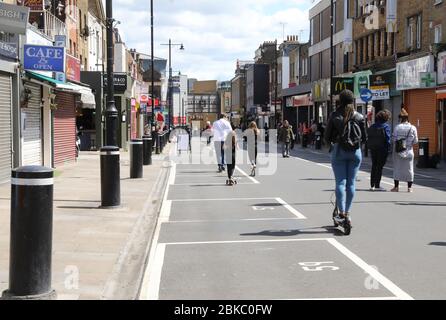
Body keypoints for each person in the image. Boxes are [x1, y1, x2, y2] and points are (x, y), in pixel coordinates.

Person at [325, 90, 367, 225]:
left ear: (340, 101)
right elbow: (364, 137)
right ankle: (348, 212)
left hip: (339, 150)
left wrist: (334, 142)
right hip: (355, 152)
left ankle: (341, 213)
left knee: (340, 183)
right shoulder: (359, 116)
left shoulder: (335, 115)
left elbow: (327, 137)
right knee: (351, 183)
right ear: (352, 101)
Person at [391, 108, 419, 193]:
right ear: (408, 118)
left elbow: (393, 139)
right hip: (409, 151)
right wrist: (408, 143)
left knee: (397, 168)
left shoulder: (397, 127)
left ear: (400, 118)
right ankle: (409, 188)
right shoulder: (413, 128)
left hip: (398, 151)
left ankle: (396, 187)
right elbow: (416, 141)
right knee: (409, 169)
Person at [367, 110, 392, 191]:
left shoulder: (372, 126)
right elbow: (388, 139)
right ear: (385, 118)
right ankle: (377, 185)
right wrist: (389, 148)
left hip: (373, 148)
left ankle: (372, 184)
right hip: (382, 149)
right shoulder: (386, 127)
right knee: (379, 167)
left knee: (374, 165)